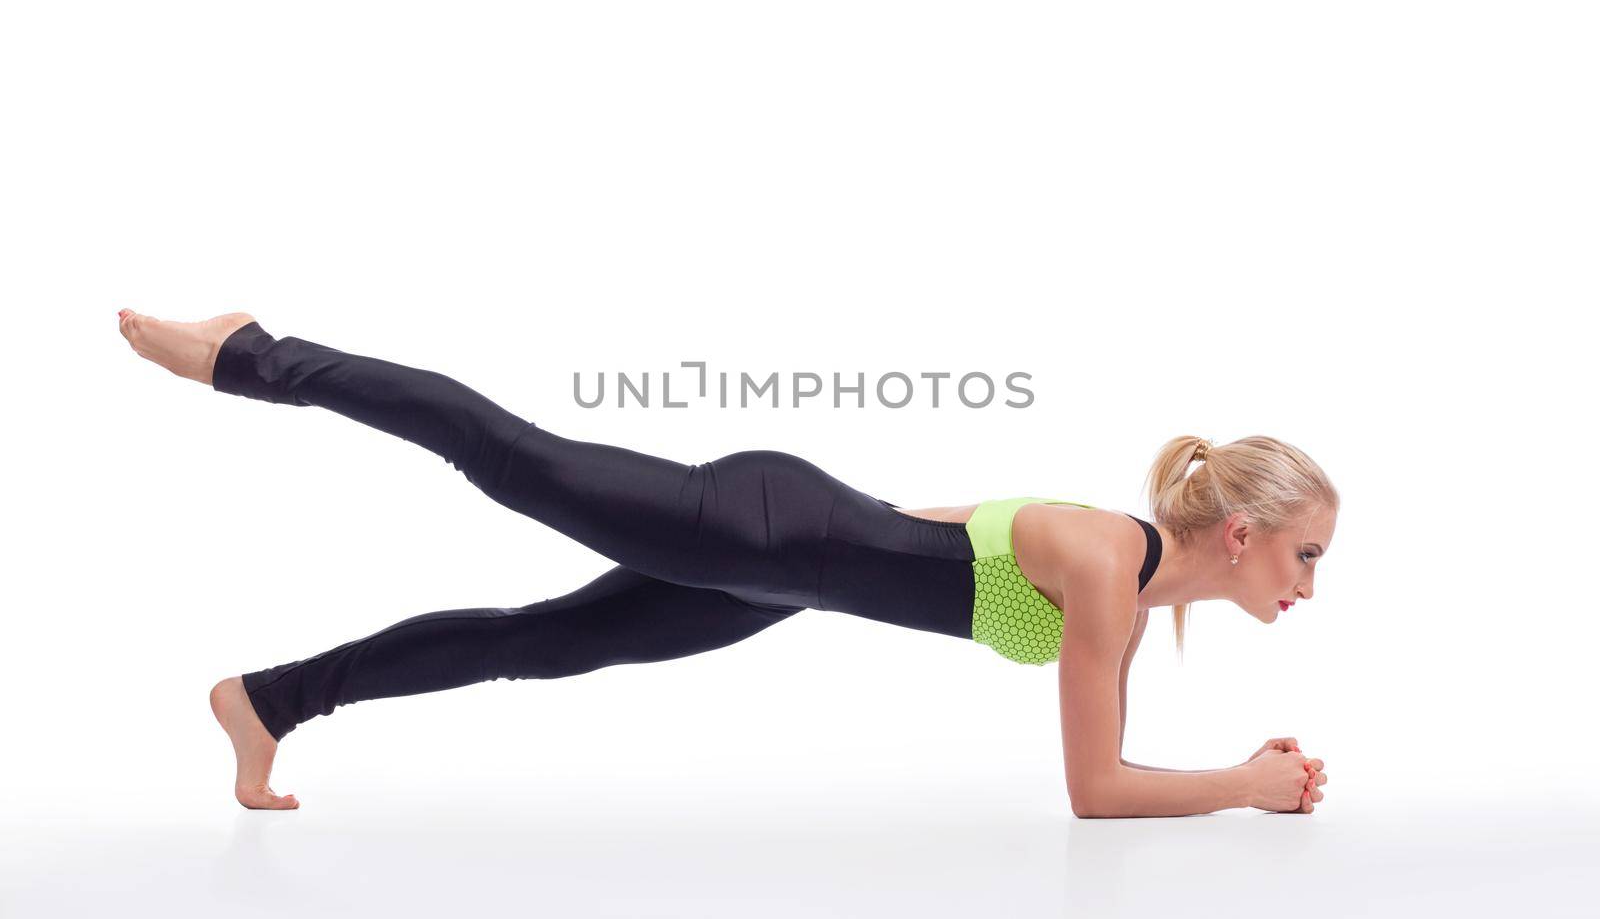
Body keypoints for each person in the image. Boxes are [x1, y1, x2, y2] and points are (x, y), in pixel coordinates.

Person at [116, 309, 1335, 818]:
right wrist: (1243, 785)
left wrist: (1237, 775)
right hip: (766, 533)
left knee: (530, 645)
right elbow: (1094, 794)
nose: (1308, 584)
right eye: (1305, 554)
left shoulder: (1120, 598)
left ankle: (268, 701)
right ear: (1241, 533)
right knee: (508, 454)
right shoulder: (1101, 564)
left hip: (778, 574)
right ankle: (247, 354)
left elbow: (929, 535)